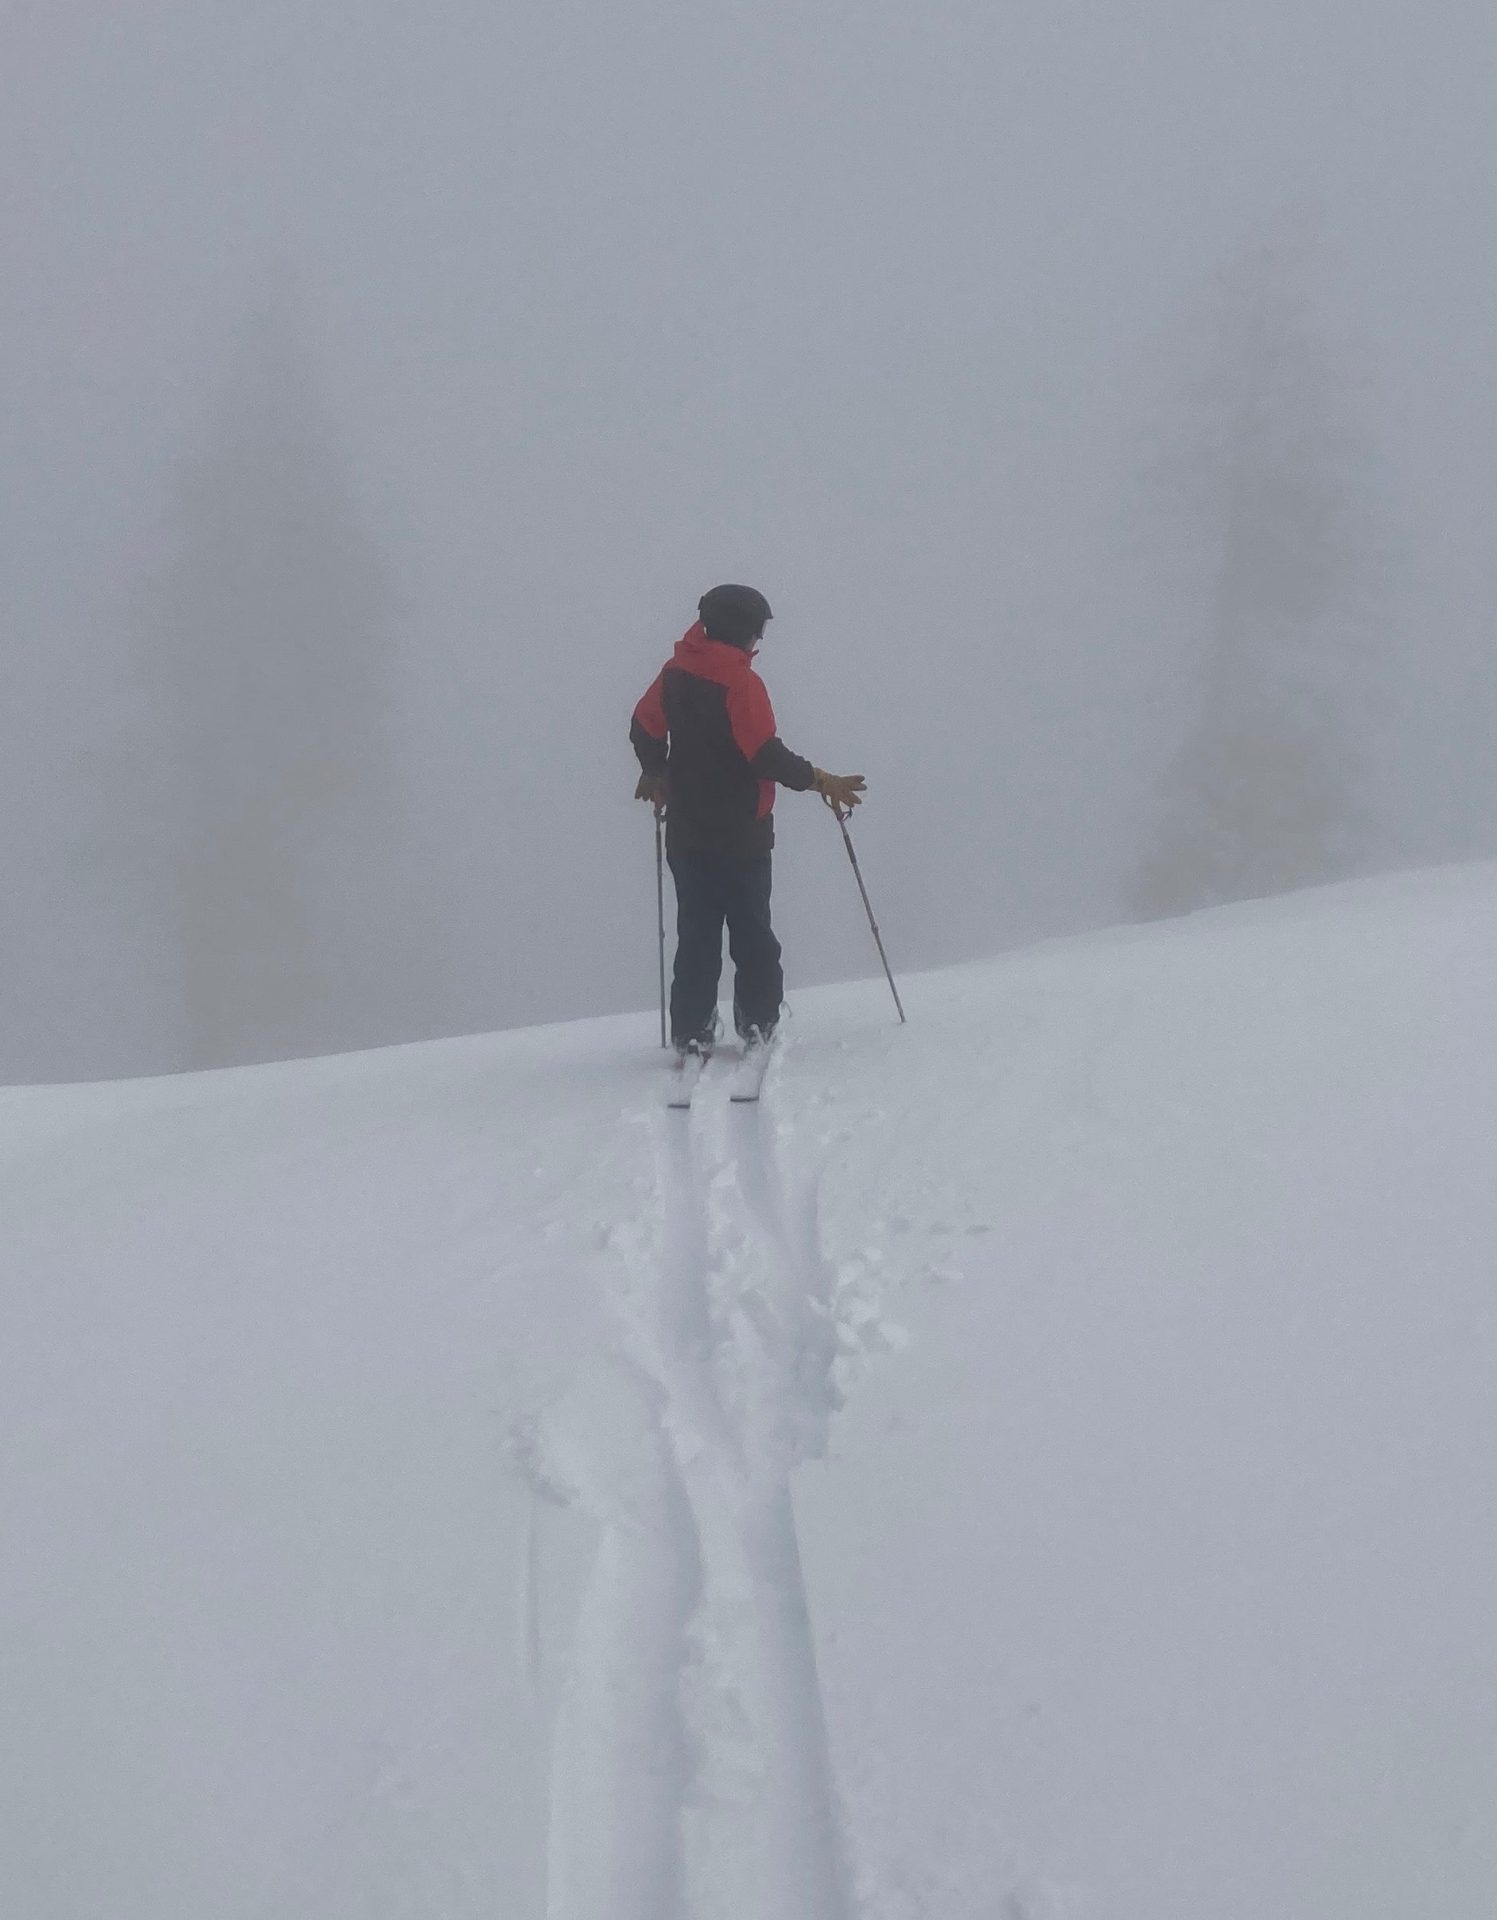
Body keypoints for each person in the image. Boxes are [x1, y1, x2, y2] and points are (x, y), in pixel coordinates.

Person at [630, 584, 865, 1058]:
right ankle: (757, 1022)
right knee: (752, 931)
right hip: (742, 834)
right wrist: (821, 780)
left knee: (696, 933)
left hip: (688, 831)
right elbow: (765, 755)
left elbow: (644, 725)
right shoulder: (740, 683)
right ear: (743, 630)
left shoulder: (674, 672)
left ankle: (691, 1031)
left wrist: (655, 771)